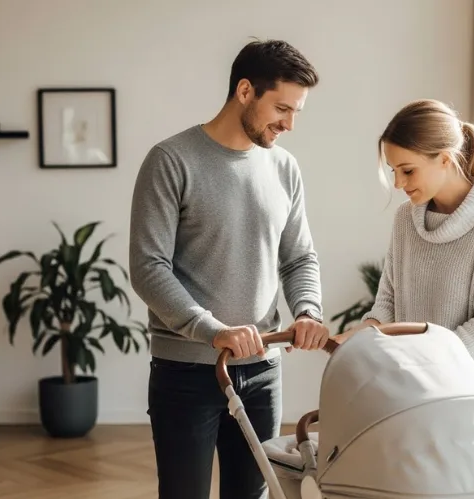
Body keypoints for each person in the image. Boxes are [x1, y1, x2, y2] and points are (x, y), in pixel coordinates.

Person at [129, 39, 329, 499]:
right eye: (281, 107)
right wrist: (211, 329)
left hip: (262, 370)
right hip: (186, 373)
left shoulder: (284, 168)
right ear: (244, 91)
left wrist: (308, 311)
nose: (290, 123)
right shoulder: (170, 160)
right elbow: (148, 266)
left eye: (296, 111)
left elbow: (299, 257)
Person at [353, 99, 474, 463]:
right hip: (422, 404)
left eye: (408, 170)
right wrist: (366, 336)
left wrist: (413, 368)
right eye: (393, 171)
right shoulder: (407, 220)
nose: (399, 184)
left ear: (445, 159)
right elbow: (388, 300)